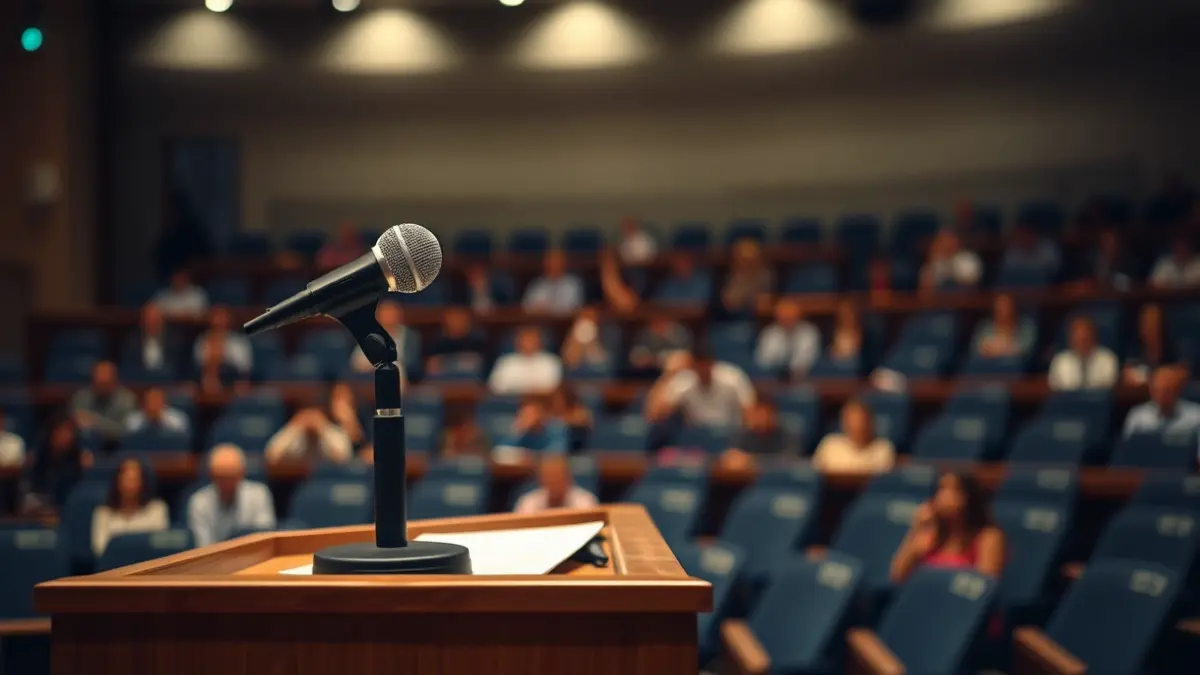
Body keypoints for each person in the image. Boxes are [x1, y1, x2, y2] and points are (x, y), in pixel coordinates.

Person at [889, 471, 1006, 584]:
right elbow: (897, 576)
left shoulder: (988, 537)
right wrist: (916, 530)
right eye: (941, 489)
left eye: (953, 490)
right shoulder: (929, 534)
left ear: (969, 497)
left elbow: (983, 586)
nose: (943, 497)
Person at [186, 444, 276, 547]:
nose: (226, 483)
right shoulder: (199, 502)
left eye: (231, 477)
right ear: (212, 476)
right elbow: (202, 546)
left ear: (241, 473)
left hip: (252, 556)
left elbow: (264, 538)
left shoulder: (259, 494)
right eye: (221, 477)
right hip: (215, 559)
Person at [646, 350, 755, 430]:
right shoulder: (684, 381)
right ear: (693, 366)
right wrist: (669, 374)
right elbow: (655, 414)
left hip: (730, 435)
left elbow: (750, 413)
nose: (703, 370)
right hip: (696, 440)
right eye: (699, 366)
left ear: (713, 364)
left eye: (706, 365)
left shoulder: (733, 377)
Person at [91, 457, 169, 556]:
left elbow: (160, 544)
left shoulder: (157, 509)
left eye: (134, 479)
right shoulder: (102, 513)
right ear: (117, 481)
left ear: (143, 482)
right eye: (127, 479)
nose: (130, 485)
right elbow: (100, 549)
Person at [21, 416, 92, 511]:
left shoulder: (78, 458)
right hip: (39, 504)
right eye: (60, 431)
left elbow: (77, 488)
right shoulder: (40, 455)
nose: (64, 436)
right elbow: (34, 485)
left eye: (68, 432)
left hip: (66, 505)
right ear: (52, 433)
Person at [812, 400, 896, 474]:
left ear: (870, 422)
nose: (857, 426)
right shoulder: (830, 445)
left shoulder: (883, 448)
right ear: (844, 423)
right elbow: (815, 474)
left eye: (861, 421)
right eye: (853, 421)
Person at [1123, 365, 1200, 441]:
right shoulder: (1138, 417)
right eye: (1158, 390)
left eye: (1167, 391)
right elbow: (1127, 450)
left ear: (1177, 390)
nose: (1162, 396)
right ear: (1151, 391)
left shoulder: (1195, 417)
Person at [70, 360, 138, 446]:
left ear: (114, 382)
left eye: (105, 383)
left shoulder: (127, 399)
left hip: (119, 447)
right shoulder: (81, 398)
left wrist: (95, 421)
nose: (102, 387)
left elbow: (127, 431)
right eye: (99, 383)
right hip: (86, 447)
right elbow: (76, 427)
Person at [1048, 317, 1119, 391]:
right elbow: (1054, 390)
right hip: (1068, 402)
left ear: (1094, 337)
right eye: (1077, 339)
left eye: (1085, 339)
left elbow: (1109, 388)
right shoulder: (1060, 361)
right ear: (1070, 340)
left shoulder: (1108, 359)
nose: (1082, 344)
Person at [754, 298, 821, 376]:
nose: (787, 320)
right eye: (784, 317)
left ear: (798, 316)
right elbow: (763, 359)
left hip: (804, 376)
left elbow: (808, 357)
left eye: (790, 316)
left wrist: (792, 370)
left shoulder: (809, 332)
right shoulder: (769, 333)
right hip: (772, 376)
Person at [488, 327, 563, 395]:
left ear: (540, 342)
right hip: (511, 402)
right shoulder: (505, 362)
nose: (528, 344)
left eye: (531, 340)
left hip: (542, 402)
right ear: (518, 342)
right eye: (525, 340)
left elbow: (554, 387)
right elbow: (495, 386)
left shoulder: (551, 361)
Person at [513, 455, 598, 514]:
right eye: (549, 478)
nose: (553, 482)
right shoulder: (528, 502)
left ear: (568, 478)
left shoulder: (586, 502)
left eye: (557, 477)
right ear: (541, 480)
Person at [265, 408, 354, 464]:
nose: (311, 420)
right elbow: (271, 456)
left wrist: (322, 428)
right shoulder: (295, 435)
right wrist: (295, 427)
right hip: (296, 483)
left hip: (326, 481)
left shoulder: (333, 433)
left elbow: (344, 458)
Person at [350, 301, 417, 374]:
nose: (388, 320)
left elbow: (412, 364)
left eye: (391, 316)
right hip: (368, 376)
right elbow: (355, 362)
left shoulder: (409, 336)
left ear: (399, 317)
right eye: (385, 316)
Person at [1124, 304, 1181, 385]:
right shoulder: (1134, 348)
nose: (1150, 326)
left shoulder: (1170, 348)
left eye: (1154, 322)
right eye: (1146, 322)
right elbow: (1128, 374)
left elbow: (1178, 371)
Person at [122, 302, 183, 377]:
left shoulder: (174, 339)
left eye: (155, 320)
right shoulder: (132, 340)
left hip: (167, 381)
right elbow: (129, 367)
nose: (152, 323)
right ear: (142, 322)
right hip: (140, 381)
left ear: (162, 322)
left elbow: (177, 366)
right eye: (149, 320)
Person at [727, 399, 797, 462]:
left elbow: (789, 458)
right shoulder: (744, 435)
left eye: (763, 414)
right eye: (757, 414)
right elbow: (736, 456)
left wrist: (754, 460)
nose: (760, 419)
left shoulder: (785, 434)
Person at [426, 308, 488, 375]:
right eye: (453, 318)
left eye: (461, 318)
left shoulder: (479, 345)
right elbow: (431, 372)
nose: (457, 321)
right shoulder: (436, 345)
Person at [193, 306, 253, 375]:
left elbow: (244, 366)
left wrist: (223, 355)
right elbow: (199, 364)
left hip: (233, 377)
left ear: (229, 320)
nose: (219, 321)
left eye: (222, 318)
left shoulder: (238, 341)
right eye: (216, 317)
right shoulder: (202, 340)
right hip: (207, 378)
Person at [522, 249, 584, 315]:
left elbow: (570, 308)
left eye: (556, 262)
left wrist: (546, 308)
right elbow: (526, 306)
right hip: (538, 322)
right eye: (549, 261)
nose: (553, 264)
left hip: (565, 324)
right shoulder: (537, 284)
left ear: (563, 263)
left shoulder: (573, 284)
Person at [721, 239, 774, 315]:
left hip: (756, 318)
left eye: (749, 260)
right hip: (730, 317)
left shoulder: (766, 276)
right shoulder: (729, 276)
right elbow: (729, 302)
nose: (746, 263)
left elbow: (763, 303)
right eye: (742, 259)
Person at [975, 293, 1035, 358]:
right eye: (1000, 306)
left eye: (1006, 306)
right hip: (988, 365)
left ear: (1013, 308)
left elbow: (1025, 350)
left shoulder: (1025, 327)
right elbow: (977, 349)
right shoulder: (986, 327)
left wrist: (995, 349)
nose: (1003, 310)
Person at [497, 401, 570, 454]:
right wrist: (518, 432)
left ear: (540, 416)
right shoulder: (523, 433)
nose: (527, 419)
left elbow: (556, 453)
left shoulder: (555, 429)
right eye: (524, 416)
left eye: (531, 415)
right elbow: (502, 451)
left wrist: (529, 455)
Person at [125, 387, 190, 434]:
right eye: (150, 401)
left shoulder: (177, 418)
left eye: (157, 401)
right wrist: (147, 420)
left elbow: (181, 435)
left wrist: (161, 419)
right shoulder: (133, 419)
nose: (153, 405)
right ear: (144, 403)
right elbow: (130, 435)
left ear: (164, 402)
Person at [327, 383, 369, 453]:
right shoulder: (327, 422)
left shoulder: (363, 418)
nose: (340, 403)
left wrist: (349, 421)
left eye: (343, 397)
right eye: (336, 398)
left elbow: (361, 445)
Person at [551, 385, 594, 452]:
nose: (557, 402)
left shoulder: (582, 413)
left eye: (559, 399)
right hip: (557, 453)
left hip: (580, 452)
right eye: (555, 399)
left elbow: (585, 421)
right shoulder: (553, 416)